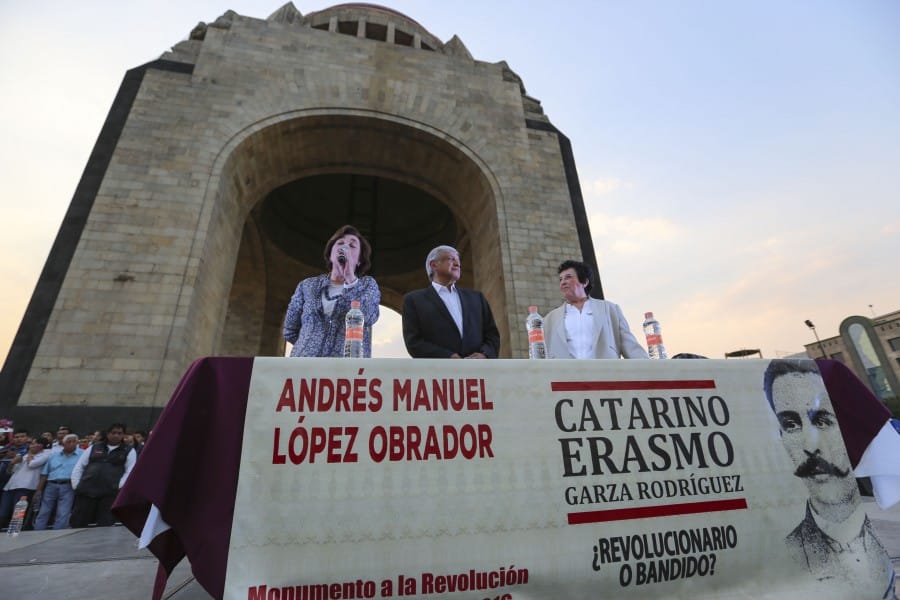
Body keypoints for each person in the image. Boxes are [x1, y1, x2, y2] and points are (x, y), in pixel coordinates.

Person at [763, 359, 895, 596]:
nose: (810, 445)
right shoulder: (776, 555)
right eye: (790, 424)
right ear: (779, 436)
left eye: (822, 421)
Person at [283, 225, 380, 357]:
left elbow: (369, 316)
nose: (344, 247)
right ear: (330, 255)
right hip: (305, 367)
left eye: (352, 246)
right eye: (340, 243)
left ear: (359, 260)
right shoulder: (307, 286)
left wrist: (350, 278)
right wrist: (311, 343)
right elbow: (290, 330)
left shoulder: (367, 285)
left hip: (347, 369)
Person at [402, 245, 500, 358]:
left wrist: (484, 355)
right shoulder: (414, 300)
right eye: (451, 259)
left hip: (479, 372)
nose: (457, 264)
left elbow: (492, 335)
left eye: (458, 261)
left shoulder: (477, 298)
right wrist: (447, 356)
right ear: (433, 265)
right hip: (439, 372)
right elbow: (413, 342)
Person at [543, 260, 648, 359]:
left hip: (604, 374)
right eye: (561, 279)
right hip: (565, 376)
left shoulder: (610, 310)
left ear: (585, 282)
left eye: (568, 277)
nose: (563, 282)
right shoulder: (549, 319)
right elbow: (541, 355)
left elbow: (629, 345)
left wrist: (652, 370)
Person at [70, 423, 136, 527]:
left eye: (119, 433)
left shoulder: (128, 450)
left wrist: (118, 486)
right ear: (107, 433)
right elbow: (79, 466)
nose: (116, 435)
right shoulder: (94, 447)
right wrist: (76, 484)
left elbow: (130, 471)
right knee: (78, 523)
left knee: (105, 525)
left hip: (109, 493)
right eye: (113, 433)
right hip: (86, 491)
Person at [33, 433, 83, 530]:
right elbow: (45, 473)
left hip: (68, 485)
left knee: (63, 512)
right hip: (51, 485)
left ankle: (58, 533)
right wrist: (38, 490)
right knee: (44, 510)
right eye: (69, 442)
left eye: (74, 442)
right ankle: (37, 532)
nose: (72, 444)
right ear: (63, 444)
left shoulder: (82, 454)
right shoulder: (54, 456)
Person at [0, 437, 50, 529]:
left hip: (26, 487)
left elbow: (32, 464)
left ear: (41, 446)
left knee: (18, 513)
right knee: (2, 512)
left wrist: (30, 456)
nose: (32, 446)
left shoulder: (46, 455)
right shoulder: (23, 455)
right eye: (31, 444)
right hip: (10, 486)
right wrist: (11, 464)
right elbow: (11, 471)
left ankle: (15, 533)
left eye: (35, 444)